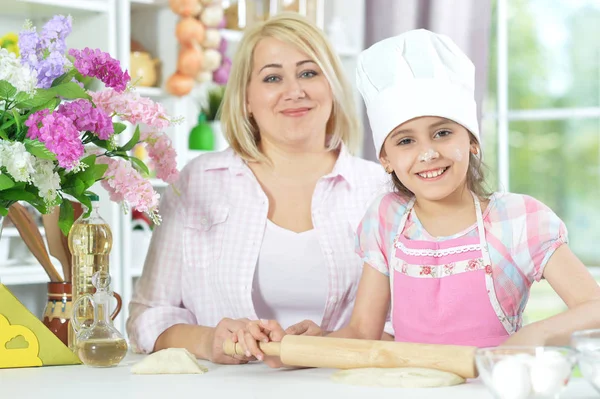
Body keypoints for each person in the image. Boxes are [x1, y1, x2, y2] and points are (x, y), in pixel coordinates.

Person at [237, 29, 600, 361]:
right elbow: (363, 332)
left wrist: (533, 335)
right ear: (386, 159)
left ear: (471, 141)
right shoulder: (387, 219)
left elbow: (594, 307)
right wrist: (293, 350)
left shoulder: (519, 219)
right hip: (406, 387)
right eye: (406, 141)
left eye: (442, 133)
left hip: (491, 387)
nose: (427, 153)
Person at [126, 13, 392, 364]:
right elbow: (148, 316)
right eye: (272, 77)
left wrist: (324, 345)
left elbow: (409, 325)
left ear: (331, 87)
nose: (294, 91)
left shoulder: (379, 190)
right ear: (247, 99)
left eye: (309, 73)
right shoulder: (199, 180)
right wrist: (211, 341)